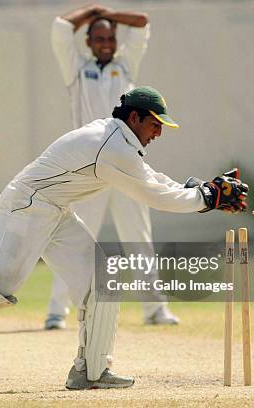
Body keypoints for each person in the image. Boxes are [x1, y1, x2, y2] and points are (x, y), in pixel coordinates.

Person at [0, 86, 248, 390]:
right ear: (135, 117)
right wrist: (206, 197)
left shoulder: (118, 140)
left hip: (54, 209)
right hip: (27, 207)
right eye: (155, 124)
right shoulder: (112, 147)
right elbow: (154, 195)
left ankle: (93, 371)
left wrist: (199, 191)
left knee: (103, 279)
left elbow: (151, 178)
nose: (159, 132)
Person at [47, 4, 178, 330]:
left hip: (126, 164)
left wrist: (106, 13)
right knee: (76, 236)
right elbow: (62, 28)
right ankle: (56, 311)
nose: (106, 42)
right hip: (88, 167)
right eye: (99, 38)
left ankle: (154, 309)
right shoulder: (76, 70)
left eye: (110, 37)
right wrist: (90, 12)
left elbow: (143, 21)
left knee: (138, 237)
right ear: (88, 42)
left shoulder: (126, 66)